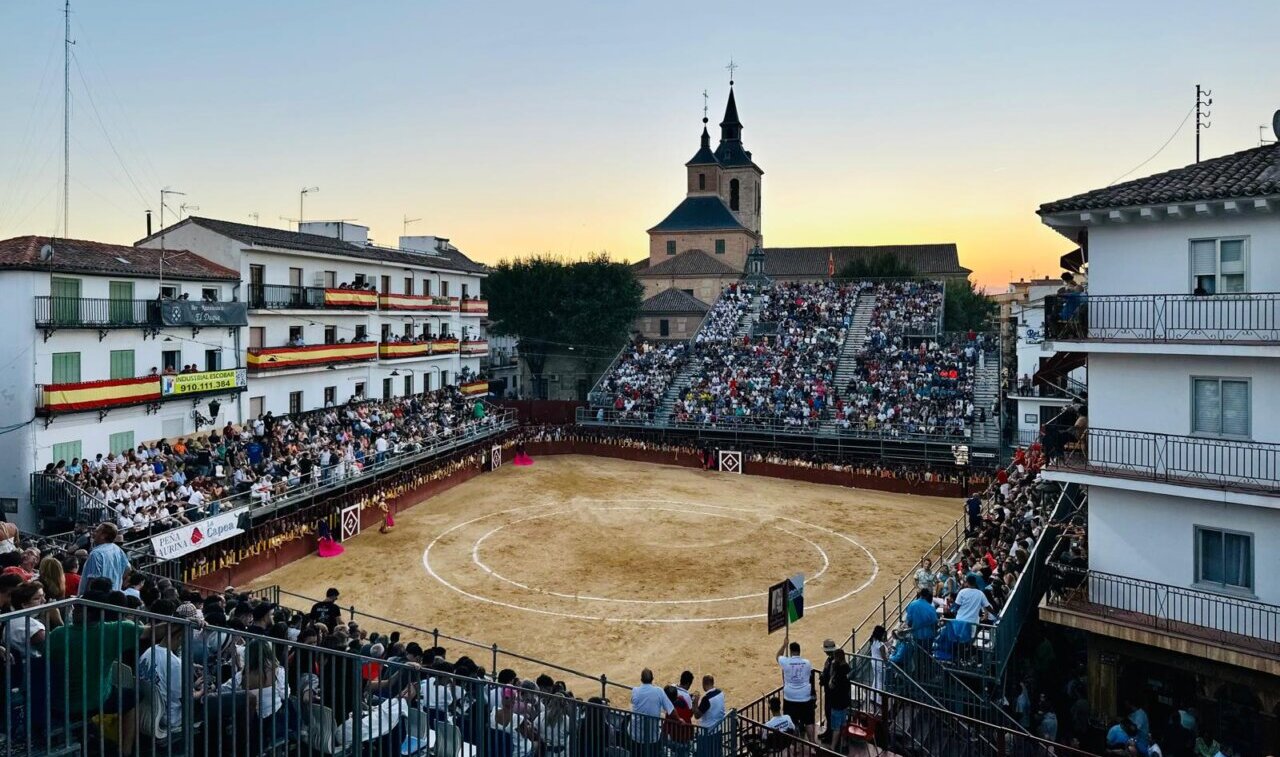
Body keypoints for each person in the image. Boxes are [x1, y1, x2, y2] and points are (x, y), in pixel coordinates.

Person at [777, 640, 816, 743]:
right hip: (805, 697)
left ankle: (795, 745)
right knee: (808, 722)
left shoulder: (786, 661)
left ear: (790, 651)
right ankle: (812, 743)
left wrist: (784, 645)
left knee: (792, 721)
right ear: (799, 651)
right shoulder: (807, 663)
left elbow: (778, 656)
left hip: (790, 697)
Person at [630, 668, 673, 755]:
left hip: (636, 735)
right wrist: (679, 719)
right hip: (652, 737)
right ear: (652, 679)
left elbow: (632, 703)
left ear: (641, 679)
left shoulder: (635, 690)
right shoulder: (659, 691)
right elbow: (671, 710)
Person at [78, 523, 130, 594]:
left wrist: (85, 600)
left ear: (103, 535)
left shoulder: (96, 554)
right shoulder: (118, 550)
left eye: (96, 531)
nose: (93, 534)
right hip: (112, 596)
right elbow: (128, 568)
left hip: (97, 600)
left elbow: (92, 580)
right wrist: (116, 581)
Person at [952, 574, 994, 643]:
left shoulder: (962, 592)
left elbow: (956, 606)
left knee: (958, 641)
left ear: (967, 582)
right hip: (972, 622)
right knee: (969, 642)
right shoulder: (980, 593)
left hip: (960, 620)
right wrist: (996, 615)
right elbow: (988, 607)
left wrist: (954, 612)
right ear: (975, 582)